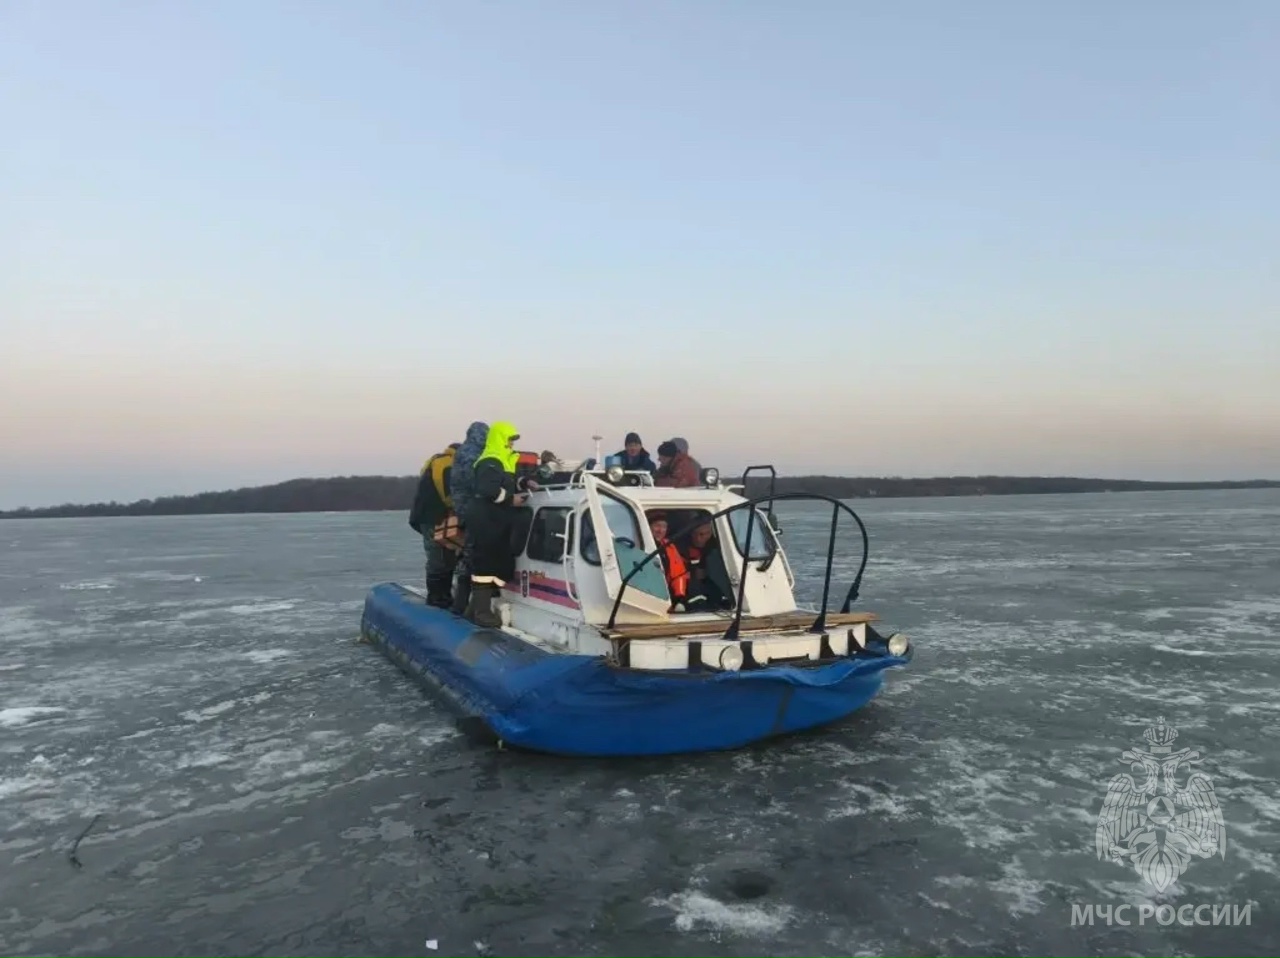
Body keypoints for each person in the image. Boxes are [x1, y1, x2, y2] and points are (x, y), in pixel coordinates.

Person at [464, 420, 540, 627]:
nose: (512, 443)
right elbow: (487, 489)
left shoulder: (503, 459)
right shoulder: (491, 460)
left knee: (497, 562)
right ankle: (481, 612)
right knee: (485, 564)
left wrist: (524, 482)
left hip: (496, 518)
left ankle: (473, 609)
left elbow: (506, 482)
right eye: (510, 439)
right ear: (500, 438)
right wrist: (510, 499)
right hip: (485, 518)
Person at [408, 442, 462, 607]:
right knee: (438, 557)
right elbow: (447, 493)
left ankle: (443, 594)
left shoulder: (437, 461)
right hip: (433, 518)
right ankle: (436, 597)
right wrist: (459, 508)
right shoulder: (445, 463)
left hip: (433, 517)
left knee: (446, 556)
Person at [447, 421, 489, 616]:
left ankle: (461, 603)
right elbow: (475, 481)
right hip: (472, 510)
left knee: (468, 555)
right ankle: (467, 606)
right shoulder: (472, 455)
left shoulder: (462, 452)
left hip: (464, 509)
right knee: (473, 556)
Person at [646, 511, 689, 609]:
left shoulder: (669, 546)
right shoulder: (639, 544)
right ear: (648, 526)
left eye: (664, 527)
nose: (660, 530)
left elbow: (679, 574)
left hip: (666, 598)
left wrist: (679, 598)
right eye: (657, 526)